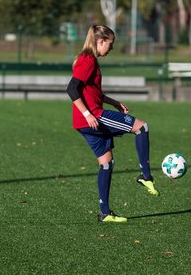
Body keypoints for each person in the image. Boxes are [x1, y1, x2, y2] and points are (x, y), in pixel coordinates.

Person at [66, 24, 159, 223]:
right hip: (94, 118)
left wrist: (114, 102)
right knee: (142, 127)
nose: (111, 48)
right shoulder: (88, 60)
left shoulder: (86, 59)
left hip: (84, 122)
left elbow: (92, 92)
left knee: (107, 163)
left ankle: (105, 213)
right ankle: (146, 176)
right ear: (100, 41)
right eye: (110, 43)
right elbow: (72, 89)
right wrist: (88, 114)